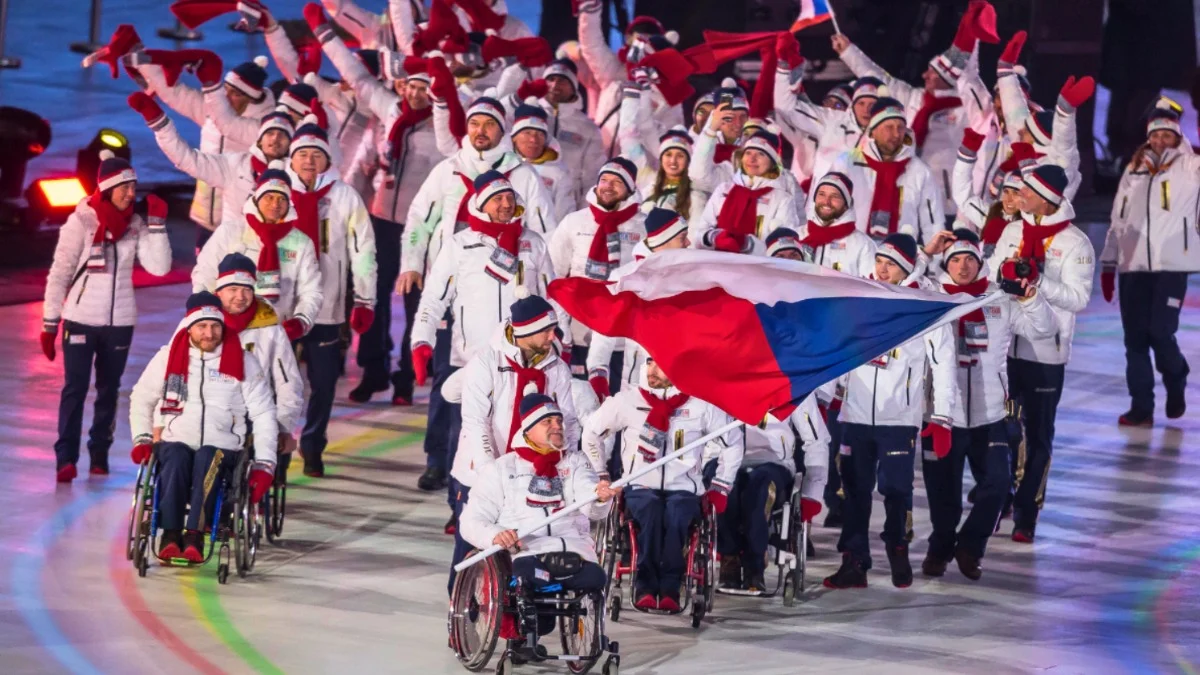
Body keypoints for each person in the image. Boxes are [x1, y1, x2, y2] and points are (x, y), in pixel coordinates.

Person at [403, 94, 554, 494]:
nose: (480, 131)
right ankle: (442, 468)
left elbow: (546, 234)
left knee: (511, 421)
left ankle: (511, 498)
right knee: (454, 403)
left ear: (502, 130)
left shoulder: (523, 176)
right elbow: (419, 219)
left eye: (488, 124)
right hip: (466, 319)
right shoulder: (449, 170)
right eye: (474, 124)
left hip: (523, 341)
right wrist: (411, 262)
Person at [412, 171, 564, 521]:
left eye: (510, 198)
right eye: (497, 199)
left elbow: (551, 294)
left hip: (528, 358)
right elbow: (434, 298)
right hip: (474, 359)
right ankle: (461, 505)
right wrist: (422, 340)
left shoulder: (533, 243)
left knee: (517, 433)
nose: (506, 204)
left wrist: (562, 338)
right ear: (480, 203)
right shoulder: (459, 244)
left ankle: (513, 507)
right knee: (468, 434)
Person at [317, 14, 441, 406]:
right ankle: (374, 372)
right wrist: (325, 35)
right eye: (410, 86)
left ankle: (407, 378)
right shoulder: (389, 112)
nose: (416, 94)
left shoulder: (443, 126)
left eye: (424, 87)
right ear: (401, 85)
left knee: (417, 305)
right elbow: (357, 76)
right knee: (371, 297)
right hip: (381, 223)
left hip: (421, 231)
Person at [823, 232, 956, 590]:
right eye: (879, 262)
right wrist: (825, 398)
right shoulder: (857, 299)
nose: (882, 270)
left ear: (907, 268)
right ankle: (854, 561)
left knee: (896, 489)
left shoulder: (924, 305)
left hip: (899, 417)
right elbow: (834, 349)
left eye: (891, 265)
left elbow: (944, 364)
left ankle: (897, 544)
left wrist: (942, 418)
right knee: (854, 489)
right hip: (854, 414)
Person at [922, 229, 1054, 580]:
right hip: (943, 415)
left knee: (997, 485)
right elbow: (897, 281)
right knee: (942, 494)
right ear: (944, 264)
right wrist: (924, 252)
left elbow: (1043, 329)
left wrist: (1030, 298)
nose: (963, 267)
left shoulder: (999, 298)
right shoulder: (931, 296)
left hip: (990, 413)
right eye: (955, 260)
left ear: (980, 263)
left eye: (969, 260)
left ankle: (970, 546)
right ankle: (940, 547)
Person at [41, 152, 173, 482]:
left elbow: (159, 268)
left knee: (108, 390)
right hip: (81, 318)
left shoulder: (136, 225)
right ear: (108, 188)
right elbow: (60, 271)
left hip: (120, 322)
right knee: (75, 388)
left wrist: (157, 226)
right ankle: (65, 458)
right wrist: (50, 321)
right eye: (125, 187)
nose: (132, 193)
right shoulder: (81, 222)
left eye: (134, 187)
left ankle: (99, 452)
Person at [985, 163, 1094, 543]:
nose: (1019, 196)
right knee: (1002, 431)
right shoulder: (1013, 230)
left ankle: (1027, 513)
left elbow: (1078, 299)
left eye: (1027, 191)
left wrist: (1038, 280)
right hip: (1004, 347)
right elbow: (991, 271)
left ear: (1047, 199)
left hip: (1047, 353)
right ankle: (999, 500)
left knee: (1039, 437)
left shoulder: (1076, 243)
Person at [582, 359, 743, 612]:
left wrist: (721, 485)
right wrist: (601, 473)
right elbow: (590, 432)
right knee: (651, 511)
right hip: (640, 486)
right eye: (648, 363)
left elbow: (733, 443)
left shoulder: (701, 404)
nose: (650, 371)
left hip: (684, 489)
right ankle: (645, 585)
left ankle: (670, 586)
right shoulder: (628, 400)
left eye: (659, 365)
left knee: (677, 514)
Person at [128, 292, 277, 562]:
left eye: (215, 326)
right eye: (202, 326)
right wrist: (142, 437)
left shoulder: (243, 361)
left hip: (224, 446)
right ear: (189, 327)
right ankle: (171, 534)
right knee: (174, 457)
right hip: (177, 439)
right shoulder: (167, 358)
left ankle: (194, 535)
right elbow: (141, 397)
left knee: (208, 458)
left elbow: (264, 412)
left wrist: (265, 464)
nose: (209, 333)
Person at [459, 392, 614, 645]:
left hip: (575, 551)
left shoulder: (575, 462)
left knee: (595, 578)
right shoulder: (502, 468)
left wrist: (598, 496)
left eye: (559, 421)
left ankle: (550, 610)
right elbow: (472, 520)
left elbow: (589, 498)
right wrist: (495, 535)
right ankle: (527, 631)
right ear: (528, 428)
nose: (557, 427)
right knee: (529, 581)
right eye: (547, 422)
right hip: (529, 553)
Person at [449, 293, 579, 591]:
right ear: (526, 331)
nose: (553, 336)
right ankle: (462, 611)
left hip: (529, 475)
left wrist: (563, 463)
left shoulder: (556, 369)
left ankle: (513, 618)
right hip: (479, 472)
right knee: (472, 544)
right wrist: (489, 472)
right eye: (546, 330)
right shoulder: (486, 362)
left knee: (522, 549)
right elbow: (475, 421)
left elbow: (567, 422)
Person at [831, 2, 1000, 218]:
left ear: (946, 78)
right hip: (907, 190)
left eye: (931, 72)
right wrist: (848, 51)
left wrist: (972, 40)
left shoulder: (965, 111)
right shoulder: (914, 98)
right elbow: (878, 77)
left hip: (947, 201)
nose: (924, 75)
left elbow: (970, 78)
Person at [284, 119, 378, 477]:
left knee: (323, 386)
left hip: (327, 309)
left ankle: (312, 445)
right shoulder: (276, 194)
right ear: (291, 160)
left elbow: (364, 251)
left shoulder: (344, 196)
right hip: (283, 312)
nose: (309, 161)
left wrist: (364, 301)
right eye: (302, 155)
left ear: (327, 160)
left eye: (316, 155)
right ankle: (276, 448)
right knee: (281, 384)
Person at [1102, 102, 1198, 426]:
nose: (1160, 141)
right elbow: (1117, 218)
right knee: (1135, 339)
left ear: (1176, 136)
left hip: (1172, 263)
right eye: (1155, 135)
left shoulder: (1191, 167)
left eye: (1167, 135)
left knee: (1160, 332)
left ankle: (1176, 375)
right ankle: (1141, 407)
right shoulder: (1134, 170)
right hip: (1132, 267)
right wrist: (1109, 262)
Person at [126, 45, 275, 250]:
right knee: (203, 280)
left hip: (242, 226)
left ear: (252, 98)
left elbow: (228, 124)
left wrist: (210, 83)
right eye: (226, 91)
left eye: (236, 95)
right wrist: (140, 59)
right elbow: (175, 93)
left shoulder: (263, 129)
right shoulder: (214, 109)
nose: (228, 98)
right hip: (205, 222)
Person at [193, 162, 324, 343]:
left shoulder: (301, 243)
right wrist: (206, 313)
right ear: (256, 199)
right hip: (228, 329)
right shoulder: (231, 231)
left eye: (281, 199)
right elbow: (205, 273)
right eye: (269, 197)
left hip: (277, 333)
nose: (275, 204)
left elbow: (311, 291)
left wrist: (301, 321)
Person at [129, 92, 295, 230]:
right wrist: (160, 125)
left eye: (282, 135)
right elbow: (187, 159)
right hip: (234, 255)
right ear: (259, 139)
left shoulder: (296, 176)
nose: (275, 139)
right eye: (270, 133)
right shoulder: (235, 165)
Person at [718, 395, 829, 594]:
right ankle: (729, 560)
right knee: (724, 488)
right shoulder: (721, 372)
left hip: (773, 463)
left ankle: (755, 564)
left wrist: (813, 493)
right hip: (723, 460)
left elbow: (817, 439)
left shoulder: (792, 378)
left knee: (759, 488)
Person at [586, 207, 689, 400]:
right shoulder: (626, 278)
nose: (689, 243)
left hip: (684, 390)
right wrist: (598, 377)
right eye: (682, 237)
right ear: (663, 241)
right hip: (637, 390)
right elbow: (604, 332)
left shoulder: (691, 277)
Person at [550, 157, 646, 363]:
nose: (608, 187)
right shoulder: (574, 222)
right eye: (604, 180)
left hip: (623, 336)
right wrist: (560, 324)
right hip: (577, 332)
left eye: (618, 182)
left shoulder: (644, 227)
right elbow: (553, 276)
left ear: (630, 189)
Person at [213, 253, 305, 468]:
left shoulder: (269, 325)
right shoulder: (202, 323)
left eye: (246, 289)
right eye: (233, 290)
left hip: (254, 412)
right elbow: (174, 371)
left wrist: (284, 426)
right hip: (210, 408)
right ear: (219, 292)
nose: (240, 296)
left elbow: (288, 381)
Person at [827, 95, 944, 245]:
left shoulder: (919, 170)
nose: (896, 134)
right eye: (889, 127)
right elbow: (827, 211)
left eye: (900, 127)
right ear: (873, 130)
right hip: (851, 255)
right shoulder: (847, 162)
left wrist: (934, 264)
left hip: (899, 258)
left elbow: (933, 223)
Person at [576, 1, 682, 154]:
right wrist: (590, 11)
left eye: (650, 37)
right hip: (602, 161)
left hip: (642, 166)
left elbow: (672, 128)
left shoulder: (668, 84)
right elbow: (592, 45)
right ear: (628, 39)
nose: (644, 41)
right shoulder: (614, 70)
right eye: (639, 36)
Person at [773, 34, 876, 190]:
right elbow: (785, 108)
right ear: (853, 105)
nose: (866, 109)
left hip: (861, 211)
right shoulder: (832, 121)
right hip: (817, 210)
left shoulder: (888, 133)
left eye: (872, 104)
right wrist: (783, 69)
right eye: (861, 103)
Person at [694, 127, 800, 254]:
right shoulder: (723, 190)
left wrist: (747, 244)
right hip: (718, 265)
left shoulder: (783, 199)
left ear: (772, 163)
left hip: (757, 271)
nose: (752, 159)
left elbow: (785, 249)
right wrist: (714, 237)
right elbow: (699, 234)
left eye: (761, 154)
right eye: (748, 153)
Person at [953, 129, 1027, 258]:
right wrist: (967, 153)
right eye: (1006, 192)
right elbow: (962, 196)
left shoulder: (1034, 225)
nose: (1009, 199)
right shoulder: (991, 216)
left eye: (1016, 193)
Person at [509, 99, 577, 224]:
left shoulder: (559, 173)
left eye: (539, 134)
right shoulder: (502, 166)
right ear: (514, 137)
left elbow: (565, 216)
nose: (533, 139)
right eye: (527, 132)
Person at [797, 172, 877, 275]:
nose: (826, 202)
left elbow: (871, 287)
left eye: (835, 196)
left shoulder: (864, 245)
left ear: (846, 203)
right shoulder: (796, 235)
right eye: (821, 194)